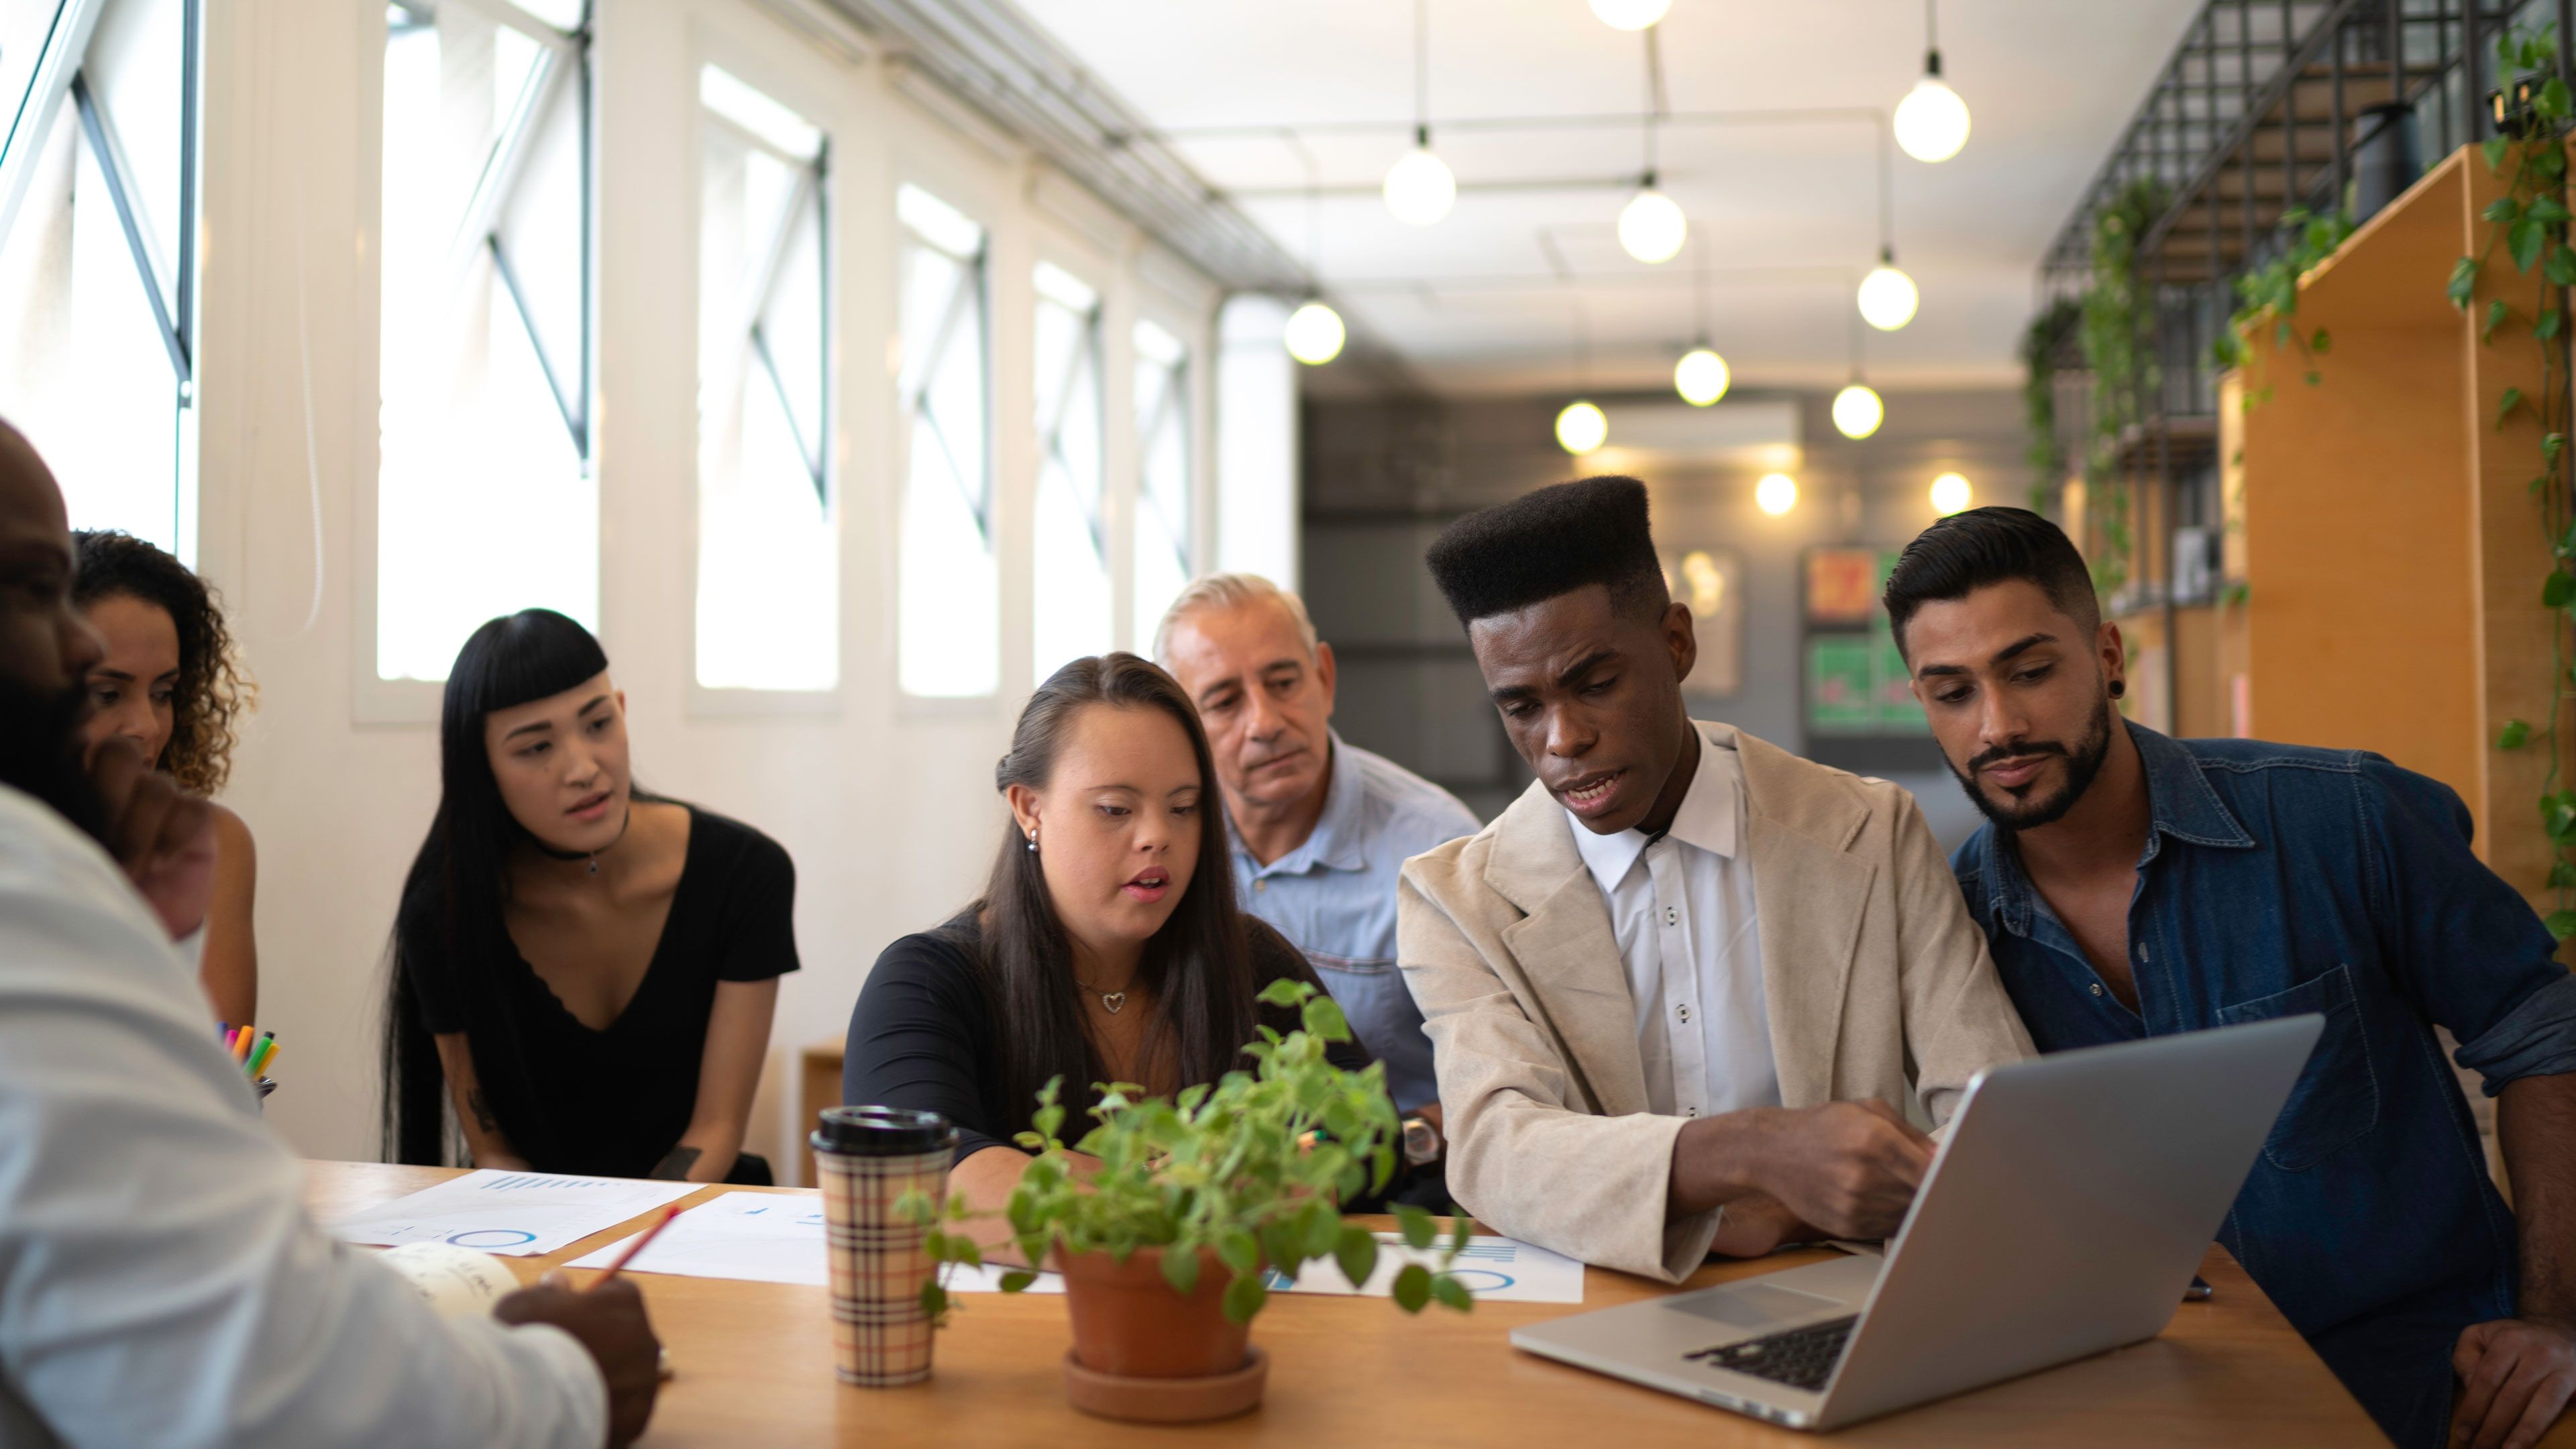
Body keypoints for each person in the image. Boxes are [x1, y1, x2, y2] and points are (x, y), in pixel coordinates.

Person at [0, 420, 660, 1446]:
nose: (582, 766)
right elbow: (247, 1374)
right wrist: (562, 1384)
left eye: (166, 691)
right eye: (34, 592)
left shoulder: (156, 860)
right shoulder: (31, 883)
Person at [1884, 506, 2576, 1449]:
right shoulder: (1947, 927)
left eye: (2031, 671)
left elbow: (2544, 1034)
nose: (1998, 725)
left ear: (2110, 656)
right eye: (1952, 692)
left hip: (2436, 1381)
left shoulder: (2343, 817)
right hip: (2154, 1405)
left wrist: (2557, 1319)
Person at [1397, 475, 2033, 1282]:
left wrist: (1789, 1209)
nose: (1563, 738)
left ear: (1676, 644)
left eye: (1596, 684)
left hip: (1835, 1300)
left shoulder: (1873, 833)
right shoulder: (1455, 899)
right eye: (1521, 707)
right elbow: (1494, 1153)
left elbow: (1997, 1112)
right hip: (1595, 1324)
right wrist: (1756, 1151)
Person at [843, 653, 1376, 1229]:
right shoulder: (926, 980)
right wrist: (1193, 1182)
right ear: (1030, 809)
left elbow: (1362, 1131)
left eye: (1183, 808)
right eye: (1115, 809)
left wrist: (1061, 1173)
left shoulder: (1251, 961)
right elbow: (914, 1174)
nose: (1156, 837)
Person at [382, 609, 798, 1184]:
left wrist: (624, 1246)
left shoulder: (746, 874)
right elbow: (496, 1151)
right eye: (535, 748)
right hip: (528, 1219)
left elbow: (716, 1130)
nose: (582, 768)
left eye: (598, 724)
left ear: (622, 712)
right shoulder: (445, 912)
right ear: (483, 770)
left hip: (694, 1217)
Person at [1155, 573, 1479, 1189]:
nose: (1265, 722)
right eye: (1224, 701)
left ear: (1324, 678)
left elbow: (1513, 1080)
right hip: (1210, 1201)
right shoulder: (1162, 848)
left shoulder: (1438, 848)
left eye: (1283, 683)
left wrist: (1378, 1151)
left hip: (1403, 1190)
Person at [72, 529, 259, 1025]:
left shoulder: (214, 844)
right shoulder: (21, 846)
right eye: (108, 695)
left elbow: (230, 1068)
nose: (147, 727)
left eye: (162, 693)